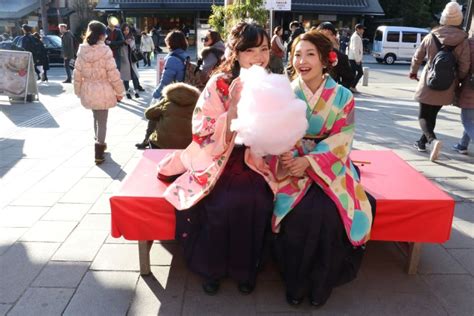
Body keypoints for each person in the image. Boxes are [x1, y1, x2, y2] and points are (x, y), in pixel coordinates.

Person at [156, 21, 277, 296]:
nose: (259, 57)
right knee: (221, 203)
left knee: (257, 200)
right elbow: (202, 129)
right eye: (251, 50)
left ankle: (246, 270)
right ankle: (212, 269)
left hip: (254, 158)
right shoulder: (219, 83)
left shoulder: (271, 81)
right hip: (218, 157)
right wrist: (232, 108)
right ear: (236, 52)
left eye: (264, 49)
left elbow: (279, 128)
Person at [273, 31, 375, 307]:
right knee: (299, 215)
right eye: (296, 54)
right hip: (290, 163)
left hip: (331, 163)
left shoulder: (342, 96)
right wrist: (290, 159)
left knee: (331, 215)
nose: (302, 61)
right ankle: (295, 283)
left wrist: (310, 161)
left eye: (310, 54)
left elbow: (344, 136)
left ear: (324, 59)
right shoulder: (284, 93)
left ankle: (321, 284)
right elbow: (276, 133)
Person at [410, 1, 470, 161]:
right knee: (433, 114)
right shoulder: (463, 39)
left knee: (423, 116)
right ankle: (421, 142)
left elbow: (418, 56)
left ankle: (432, 140)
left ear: (443, 17)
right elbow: (465, 65)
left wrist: (413, 72)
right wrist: (459, 79)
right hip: (448, 85)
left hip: (428, 82)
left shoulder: (431, 35)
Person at [73, 21, 124, 164]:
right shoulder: (105, 50)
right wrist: (120, 91)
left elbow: (77, 73)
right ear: (102, 35)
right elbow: (113, 73)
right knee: (102, 121)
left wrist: (78, 91)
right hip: (103, 89)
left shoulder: (82, 50)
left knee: (95, 118)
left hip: (88, 89)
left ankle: (99, 142)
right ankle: (99, 151)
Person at [135, 30, 188, 149]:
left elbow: (165, 81)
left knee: (154, 115)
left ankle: (147, 140)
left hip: (173, 93)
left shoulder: (173, 58)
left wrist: (156, 93)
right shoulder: (184, 55)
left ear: (171, 43)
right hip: (183, 92)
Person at [144, 82, 200, 149]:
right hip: (187, 145)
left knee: (157, 117)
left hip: (161, 144)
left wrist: (161, 105)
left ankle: (146, 141)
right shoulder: (197, 103)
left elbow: (148, 114)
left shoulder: (167, 101)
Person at [452, 36, 474, 155]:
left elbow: (464, 65)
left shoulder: (469, 43)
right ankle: (462, 145)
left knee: (467, 120)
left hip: (471, 86)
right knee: (471, 120)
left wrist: (459, 78)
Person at [317, 22, 354, 89]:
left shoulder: (340, 57)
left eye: (328, 34)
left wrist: (337, 92)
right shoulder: (307, 52)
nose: (324, 38)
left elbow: (348, 78)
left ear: (334, 36)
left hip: (328, 94)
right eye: (321, 34)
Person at [120, 23, 142, 99]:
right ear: (122, 30)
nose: (126, 31)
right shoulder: (120, 38)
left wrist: (130, 42)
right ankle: (127, 92)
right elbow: (119, 48)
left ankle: (136, 91)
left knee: (135, 76)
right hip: (124, 60)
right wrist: (124, 42)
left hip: (132, 60)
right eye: (124, 30)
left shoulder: (132, 37)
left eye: (127, 29)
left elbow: (134, 47)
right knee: (126, 78)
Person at [348, 23, 365, 93]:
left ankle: (352, 86)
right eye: (362, 29)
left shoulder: (356, 36)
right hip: (354, 58)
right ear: (358, 29)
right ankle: (352, 86)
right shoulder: (356, 37)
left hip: (353, 58)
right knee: (360, 73)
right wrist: (357, 59)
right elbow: (355, 49)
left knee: (353, 73)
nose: (363, 31)